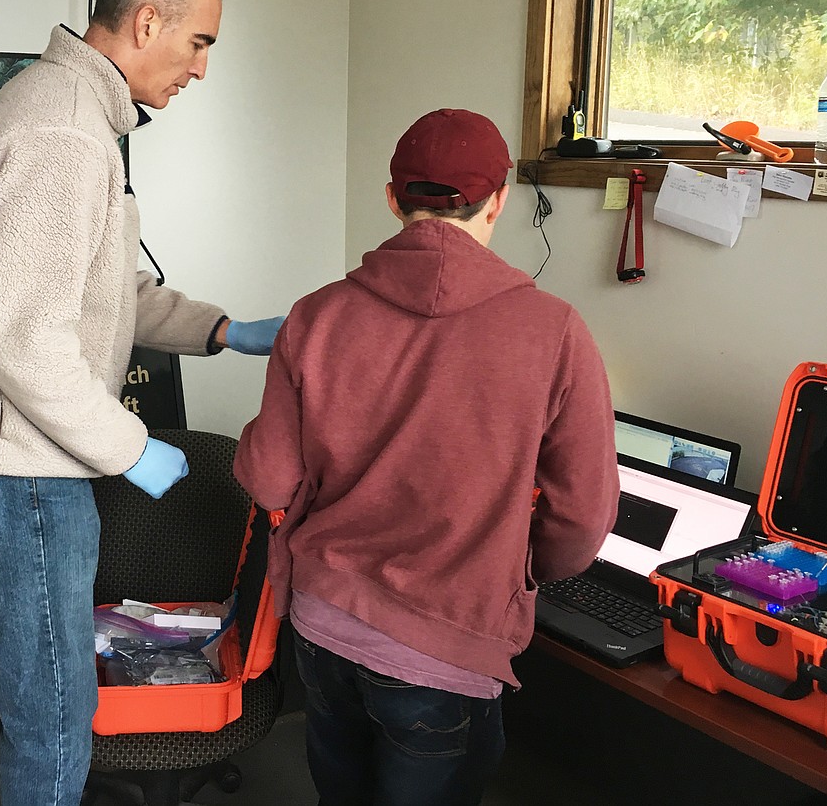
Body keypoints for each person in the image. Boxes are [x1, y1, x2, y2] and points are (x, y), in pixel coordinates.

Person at [0, 0, 283, 806]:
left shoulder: (57, 105)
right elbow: (18, 337)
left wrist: (223, 330)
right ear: (148, 22)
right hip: (16, 468)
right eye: (200, 43)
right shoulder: (66, 133)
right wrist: (128, 446)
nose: (201, 68)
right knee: (55, 706)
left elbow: (105, 289)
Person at [234, 109, 619, 806]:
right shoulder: (556, 331)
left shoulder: (316, 315)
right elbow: (582, 522)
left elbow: (267, 481)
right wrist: (522, 571)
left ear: (392, 198)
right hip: (448, 646)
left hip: (324, 622)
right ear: (499, 201)